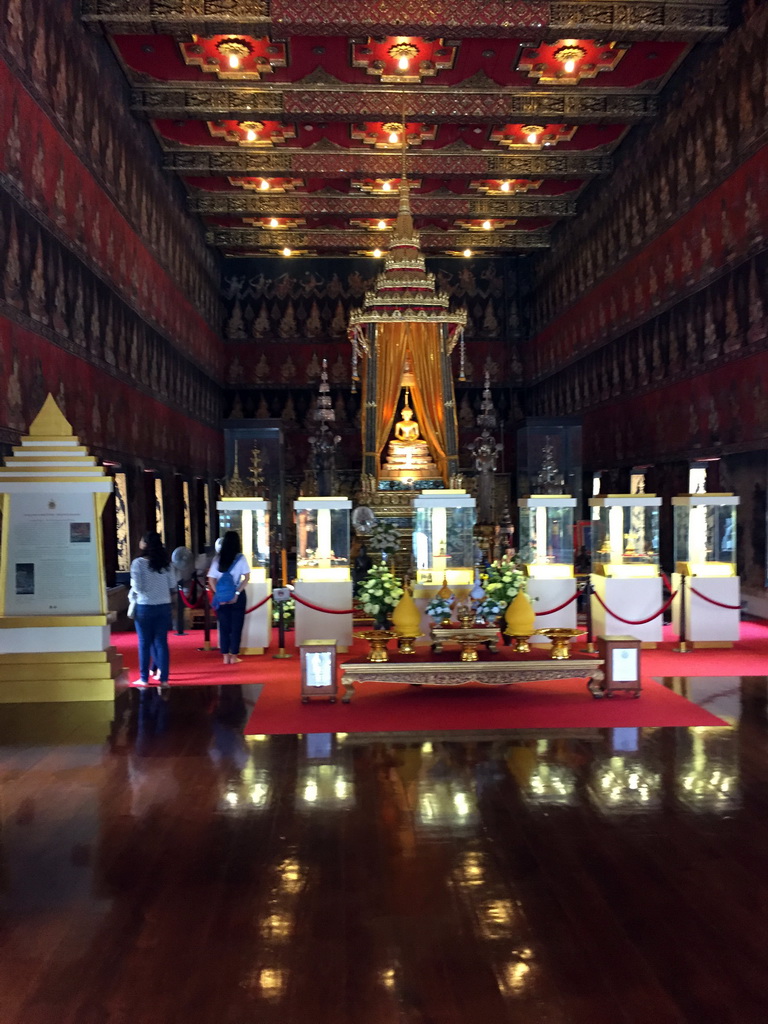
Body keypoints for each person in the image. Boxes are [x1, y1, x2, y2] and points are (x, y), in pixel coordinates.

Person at [130, 531, 176, 691]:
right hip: (163, 607)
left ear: (146, 544)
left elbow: (138, 587)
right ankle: (164, 680)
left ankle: (144, 679)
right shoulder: (166, 563)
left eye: (141, 540)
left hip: (145, 607)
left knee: (144, 643)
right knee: (161, 642)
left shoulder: (138, 563)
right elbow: (172, 586)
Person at [208, 531, 251, 665]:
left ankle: (225, 657)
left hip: (222, 597)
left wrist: (219, 594)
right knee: (236, 627)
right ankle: (234, 656)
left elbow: (211, 579)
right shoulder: (241, 558)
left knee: (224, 627)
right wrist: (237, 593)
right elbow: (247, 578)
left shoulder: (217, 559)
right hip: (238, 596)